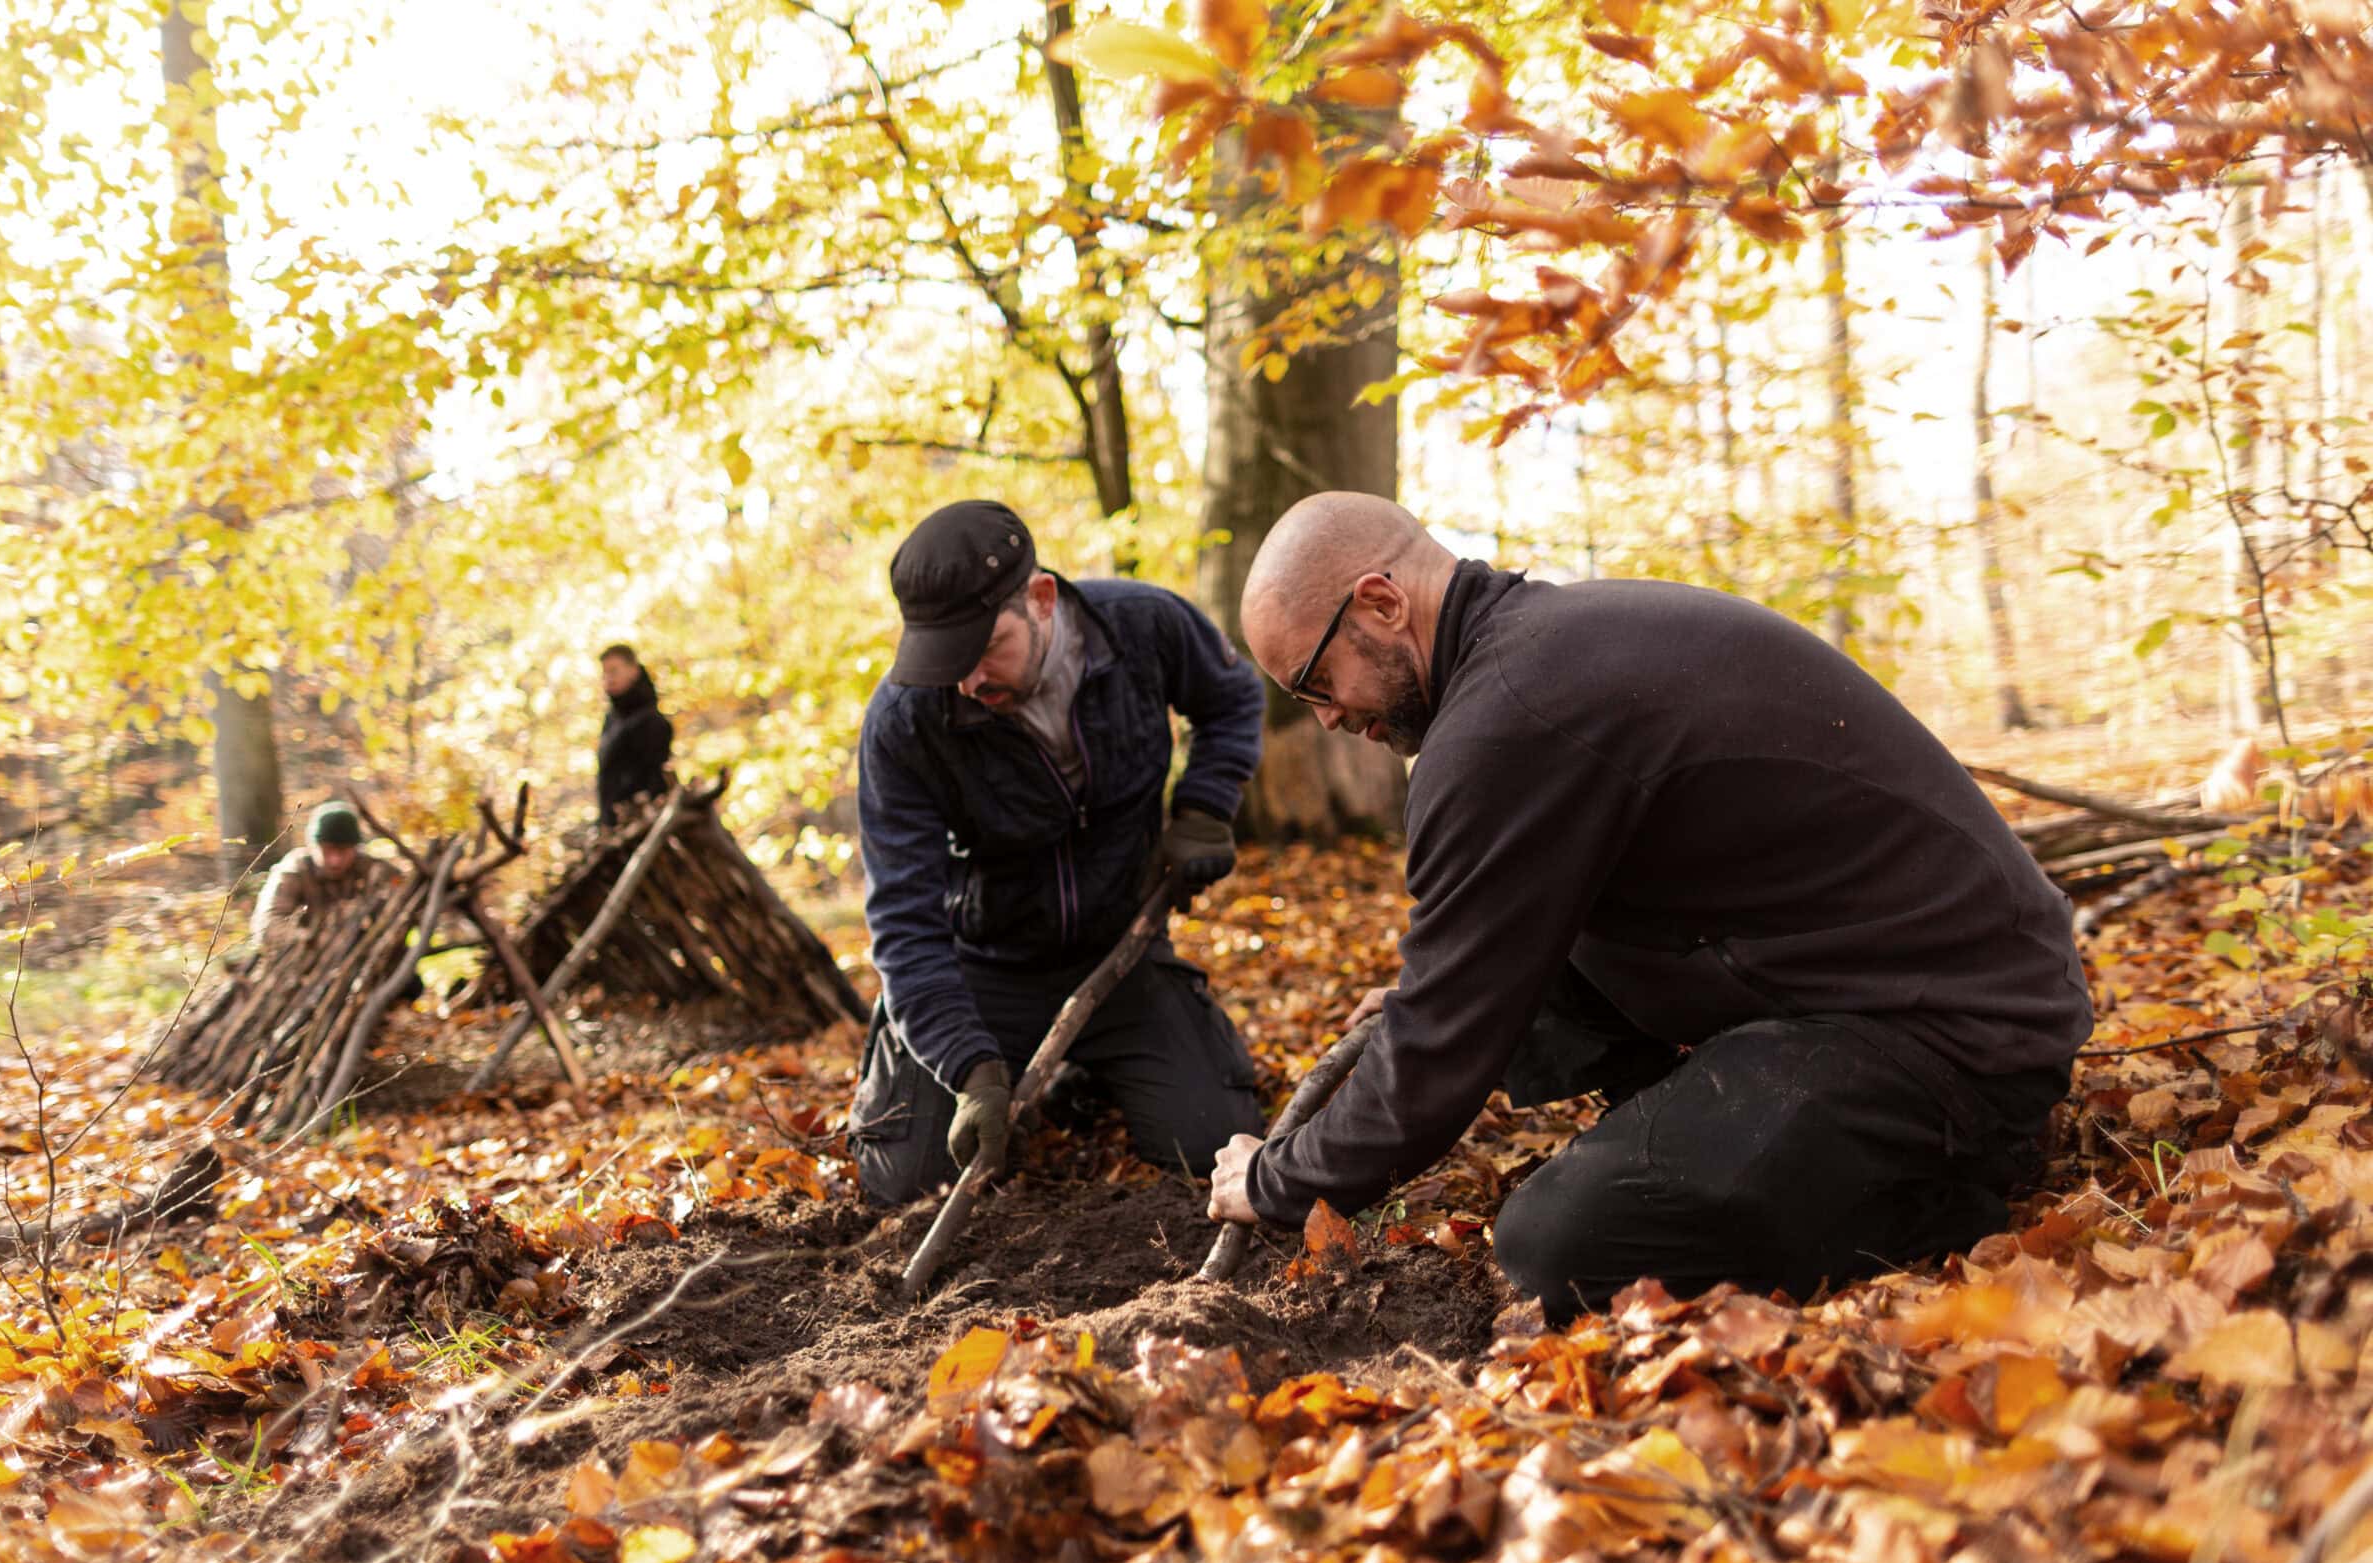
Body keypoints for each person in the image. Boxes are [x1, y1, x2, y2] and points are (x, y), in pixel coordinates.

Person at [1209, 493, 2092, 1317]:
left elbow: (1435, 1057)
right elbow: (1478, 968)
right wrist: (1423, 1006)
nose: (1325, 720)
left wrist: (1274, 1180)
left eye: (1316, 684)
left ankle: (1941, 1187)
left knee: (1554, 1245)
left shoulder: (1506, 719)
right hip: (1910, 978)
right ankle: (1716, 1130)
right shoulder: (1545, 652)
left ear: (1381, 603)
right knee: (1527, 996)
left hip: (1956, 1038)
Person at [849, 499, 1268, 1203]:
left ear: (1041, 599)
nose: (968, 682)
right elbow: (905, 923)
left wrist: (1203, 808)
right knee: (905, 1179)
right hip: (983, 968)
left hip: (1119, 951)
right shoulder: (905, 722)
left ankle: (1090, 1070)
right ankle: (988, 1064)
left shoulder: (1142, 626)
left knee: (1209, 1141)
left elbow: (1232, 697)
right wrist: (968, 1065)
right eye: (946, 661)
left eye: (983, 650)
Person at [249, 801, 393, 948]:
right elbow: (266, 925)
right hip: (303, 964)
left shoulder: (372, 869)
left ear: (355, 848)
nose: (335, 860)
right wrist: (311, 940)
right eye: (327, 850)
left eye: (343, 851)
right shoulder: (294, 871)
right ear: (312, 846)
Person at [597, 644, 677, 824]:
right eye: (604, 673)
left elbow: (655, 781)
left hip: (643, 823)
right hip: (612, 824)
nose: (608, 679)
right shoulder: (612, 719)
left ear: (633, 670)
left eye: (614, 671)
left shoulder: (653, 722)